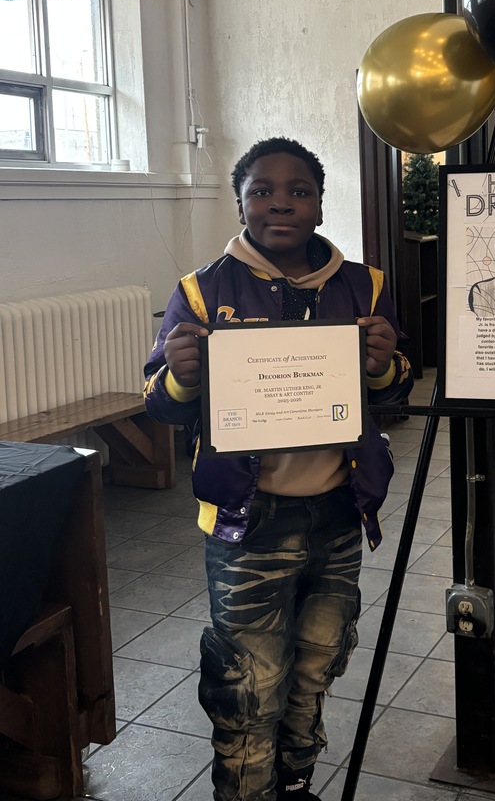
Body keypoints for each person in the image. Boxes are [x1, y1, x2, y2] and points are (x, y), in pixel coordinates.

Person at [144, 137, 413, 801]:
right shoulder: (202, 292)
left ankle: (294, 785)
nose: (281, 203)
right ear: (239, 203)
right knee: (247, 682)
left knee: (317, 664)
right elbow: (161, 406)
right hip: (247, 525)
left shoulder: (365, 285)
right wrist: (179, 380)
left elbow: (394, 391)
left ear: (320, 204)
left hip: (336, 515)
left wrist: (382, 365)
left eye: (299, 190)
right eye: (262, 190)